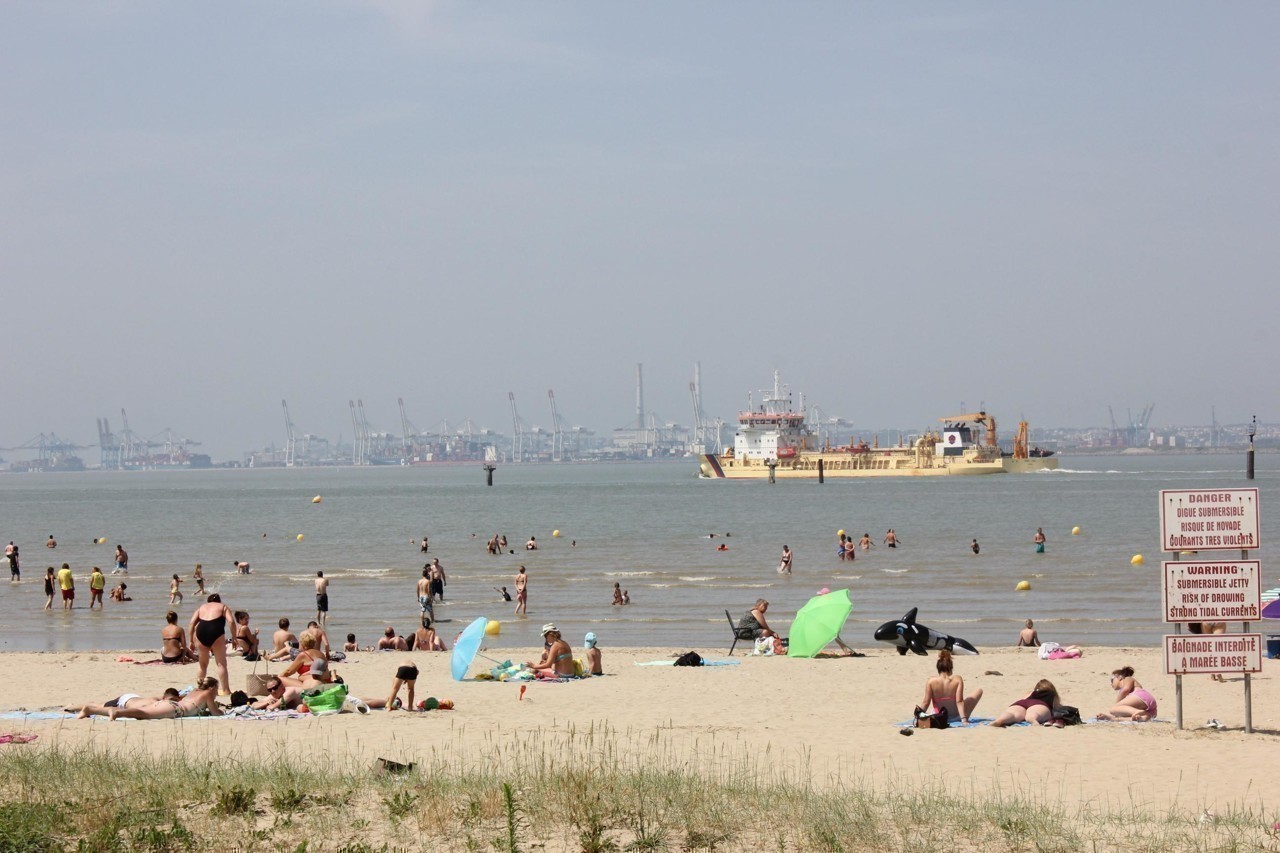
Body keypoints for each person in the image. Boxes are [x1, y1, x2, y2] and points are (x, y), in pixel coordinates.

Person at [78, 677, 222, 720]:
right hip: (175, 709)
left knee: (138, 711)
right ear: (212, 688)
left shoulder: (194, 692)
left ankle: (92, 709)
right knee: (142, 714)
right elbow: (215, 713)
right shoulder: (208, 694)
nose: (217, 692)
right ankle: (116, 713)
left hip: (169, 704)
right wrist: (222, 712)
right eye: (217, 689)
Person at [920, 649, 983, 725]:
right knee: (979, 691)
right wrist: (964, 720)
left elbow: (926, 703)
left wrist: (918, 717)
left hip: (939, 716)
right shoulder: (957, 679)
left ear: (938, 668)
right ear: (951, 668)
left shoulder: (931, 681)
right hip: (957, 717)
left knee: (935, 706)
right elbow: (959, 701)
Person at [189, 593, 234, 695]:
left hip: (201, 632)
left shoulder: (201, 607)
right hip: (216, 632)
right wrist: (234, 637)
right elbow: (231, 622)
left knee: (202, 664)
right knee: (221, 664)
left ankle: (200, 689)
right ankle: (226, 690)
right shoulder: (223, 606)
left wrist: (191, 640)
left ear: (208, 602)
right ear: (219, 601)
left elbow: (192, 623)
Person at [991, 678, 1062, 727]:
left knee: (1012, 714)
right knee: (1033, 714)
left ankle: (1000, 720)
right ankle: (1033, 720)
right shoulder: (1052, 695)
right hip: (1040, 704)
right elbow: (1057, 707)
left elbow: (1023, 699)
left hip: (1022, 702)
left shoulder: (1031, 693)